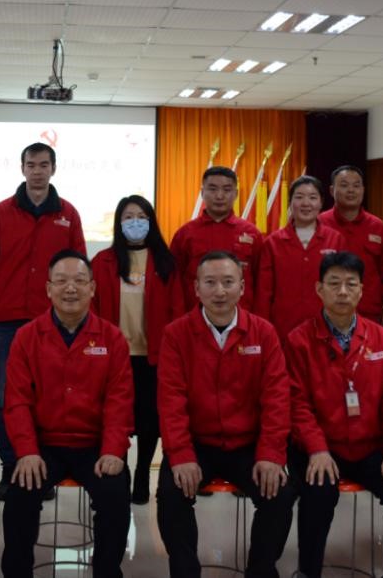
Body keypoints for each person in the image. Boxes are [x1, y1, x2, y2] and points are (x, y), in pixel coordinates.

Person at [156, 251, 295, 578]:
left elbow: (277, 398)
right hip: (196, 444)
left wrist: (271, 454)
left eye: (228, 282)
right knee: (171, 496)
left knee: (280, 494)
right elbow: (171, 400)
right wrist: (181, 455)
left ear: (242, 287)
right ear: (196, 288)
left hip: (248, 445)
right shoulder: (176, 334)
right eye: (210, 282)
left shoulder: (263, 332)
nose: (220, 291)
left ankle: (260, 570)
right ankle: (185, 572)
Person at [287, 251, 383, 578]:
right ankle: (308, 571)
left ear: (362, 290)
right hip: (321, 447)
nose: (343, 292)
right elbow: (297, 403)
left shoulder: (382, 339)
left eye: (351, 284)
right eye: (334, 284)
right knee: (318, 492)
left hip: (370, 446)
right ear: (319, 289)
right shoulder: (299, 340)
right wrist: (317, 449)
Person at [1, 251, 133, 578]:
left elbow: (119, 402)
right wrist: (27, 451)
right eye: (61, 281)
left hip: (95, 446)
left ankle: (106, 572)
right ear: (48, 289)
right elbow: (16, 401)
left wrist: (113, 451)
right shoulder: (27, 337)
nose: (70, 288)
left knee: (115, 495)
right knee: (19, 497)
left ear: (92, 288)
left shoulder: (112, 338)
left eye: (79, 281)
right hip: (43, 445)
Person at [0, 143, 86, 498]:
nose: (37, 171)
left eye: (44, 165)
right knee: (7, 395)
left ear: (54, 169)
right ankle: (11, 469)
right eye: (31, 165)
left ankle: (40, 468)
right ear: (22, 169)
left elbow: (79, 266)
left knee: (46, 396)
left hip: (52, 322)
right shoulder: (1, 212)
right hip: (5, 321)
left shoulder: (68, 213)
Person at [92, 195, 183, 504]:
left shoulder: (166, 262)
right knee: (113, 417)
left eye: (141, 216)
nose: (135, 222)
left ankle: (143, 472)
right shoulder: (103, 261)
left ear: (151, 222)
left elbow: (178, 311)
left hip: (153, 355)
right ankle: (117, 472)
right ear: (119, 223)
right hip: (114, 356)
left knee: (148, 420)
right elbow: (92, 308)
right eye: (128, 216)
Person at [255, 175, 348, 342]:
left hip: (326, 327)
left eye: (312, 197)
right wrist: (263, 331)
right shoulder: (272, 243)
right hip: (282, 329)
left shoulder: (336, 239)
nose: (306, 203)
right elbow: (264, 293)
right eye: (299, 197)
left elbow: (344, 286)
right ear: (290, 203)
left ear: (321, 203)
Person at [170, 166, 262, 311]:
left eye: (227, 189)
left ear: (236, 194)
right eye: (212, 189)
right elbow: (174, 284)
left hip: (241, 318)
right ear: (202, 192)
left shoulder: (252, 234)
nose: (219, 196)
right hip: (195, 317)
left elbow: (261, 284)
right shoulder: (184, 234)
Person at [318, 165, 383, 322]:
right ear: (332, 190)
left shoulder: (378, 227)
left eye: (356, 185)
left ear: (363, 190)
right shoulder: (318, 224)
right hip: (326, 311)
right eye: (344, 185)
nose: (351, 190)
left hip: (368, 312)